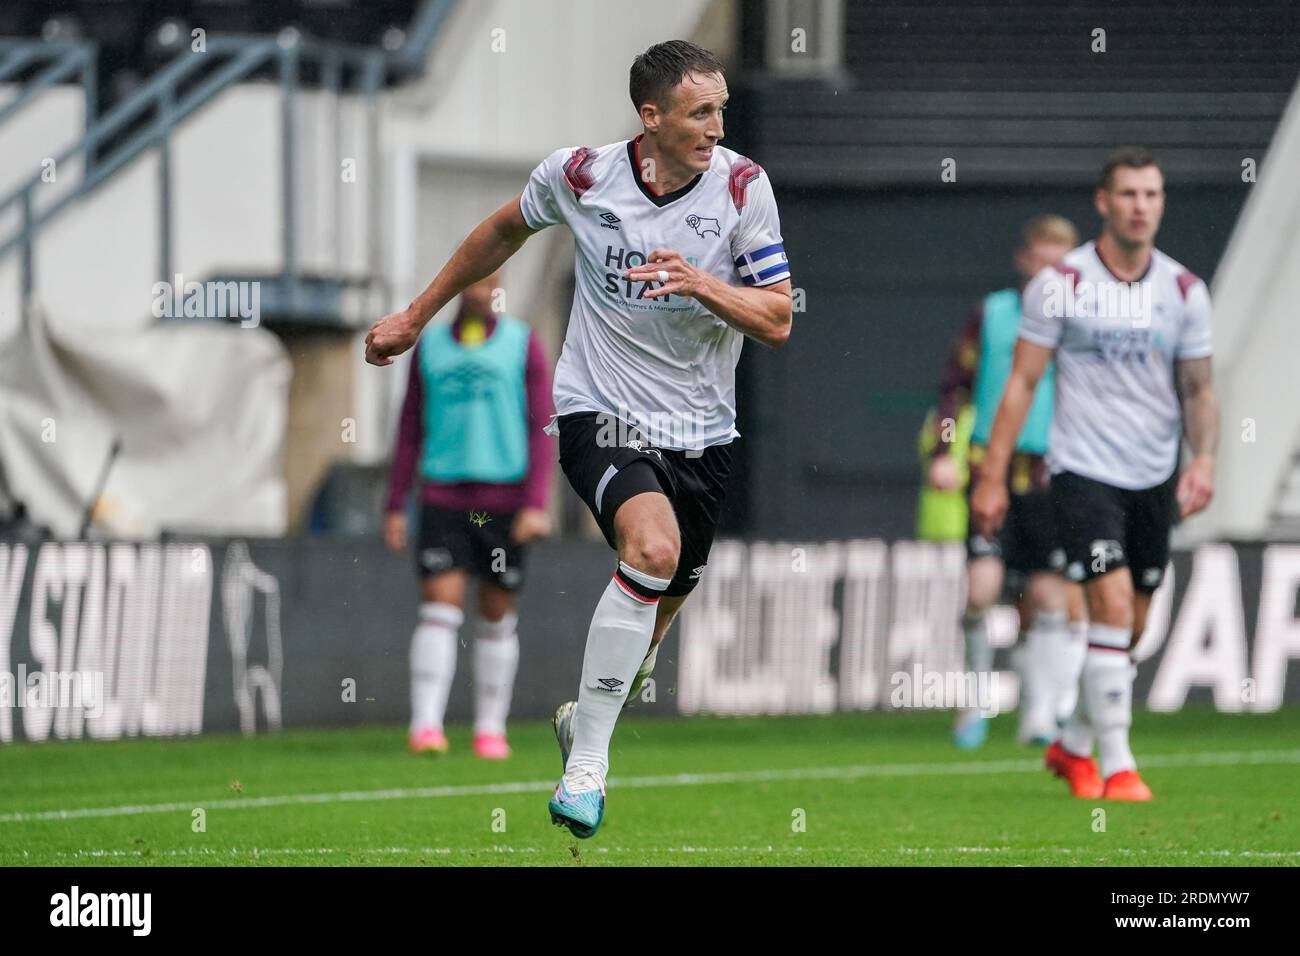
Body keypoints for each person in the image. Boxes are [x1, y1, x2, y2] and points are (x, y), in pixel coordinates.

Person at [365, 40, 792, 837]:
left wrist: (703, 283)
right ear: (651, 115)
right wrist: (415, 318)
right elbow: (498, 233)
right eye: (701, 111)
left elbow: (777, 318)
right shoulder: (579, 175)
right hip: (599, 410)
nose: (717, 125)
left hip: (703, 432)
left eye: (722, 108)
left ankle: (592, 711)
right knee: (652, 551)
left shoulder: (742, 188)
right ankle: (588, 769)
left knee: (658, 610)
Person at [972, 147, 1218, 801]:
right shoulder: (1063, 284)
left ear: (1161, 203)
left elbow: (1198, 387)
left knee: (1131, 626)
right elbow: (1022, 382)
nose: (1142, 206)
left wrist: (1206, 459)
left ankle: (1073, 744)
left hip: (1154, 474)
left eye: (1152, 194)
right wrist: (994, 476)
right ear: (1104, 203)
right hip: (1082, 470)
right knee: (1107, 607)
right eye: (1130, 194)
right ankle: (1118, 765)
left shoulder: (1185, 290)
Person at [929, 216, 1087, 750]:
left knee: (1045, 595)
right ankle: (974, 701)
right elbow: (955, 387)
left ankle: (1041, 713)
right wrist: (945, 448)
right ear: (1024, 261)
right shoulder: (993, 314)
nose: (1049, 274)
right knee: (983, 589)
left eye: (1059, 266)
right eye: (1041, 261)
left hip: (1051, 476)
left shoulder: (1080, 322)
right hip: (992, 471)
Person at [383, 273, 555, 760]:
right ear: (463, 287)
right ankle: (426, 727)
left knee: (496, 610)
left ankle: (489, 728)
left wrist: (536, 503)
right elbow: (409, 427)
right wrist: (396, 503)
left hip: (503, 501)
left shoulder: (524, 345)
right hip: (443, 496)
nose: (485, 293)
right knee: (440, 605)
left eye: (493, 284)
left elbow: (542, 427)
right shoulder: (430, 346)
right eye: (477, 283)